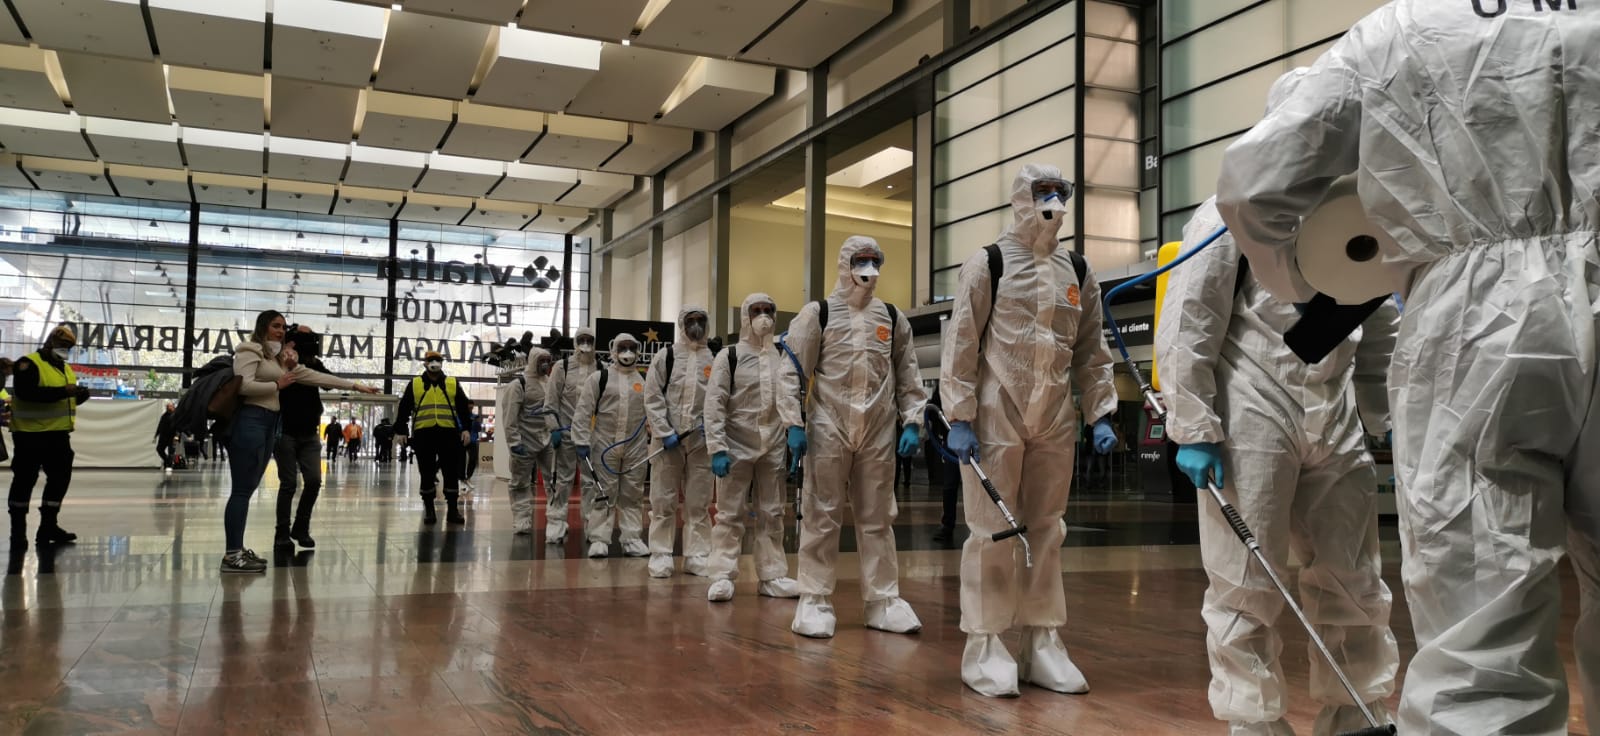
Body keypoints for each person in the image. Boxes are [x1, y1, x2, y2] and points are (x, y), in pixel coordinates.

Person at [1214, 5, 1600, 729]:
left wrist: (1302, 283)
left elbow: (1252, 182)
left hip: (1475, 320)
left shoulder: (1400, 30)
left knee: (1480, 623)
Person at [1159, 196, 1401, 734]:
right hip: (1251, 399)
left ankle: (1355, 710)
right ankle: (1253, 718)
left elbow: (1378, 309)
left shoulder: (1361, 207)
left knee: (1354, 574)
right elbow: (1189, 317)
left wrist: (1383, 413)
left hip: (1335, 407)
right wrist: (1194, 427)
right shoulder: (1231, 211)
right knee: (1246, 582)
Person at [939, 164, 1120, 697]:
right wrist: (961, 416)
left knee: (1047, 528)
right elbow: (962, 345)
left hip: (1055, 416)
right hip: (997, 414)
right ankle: (987, 644)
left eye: (1061, 193)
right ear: (1022, 197)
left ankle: (1042, 641)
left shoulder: (1078, 270)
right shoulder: (989, 263)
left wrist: (1102, 413)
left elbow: (1091, 349)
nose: (1053, 201)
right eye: (1043, 192)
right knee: (993, 530)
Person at [779, 235, 927, 639]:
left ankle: (883, 600)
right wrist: (793, 423)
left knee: (878, 516)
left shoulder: (893, 318)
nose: (868, 268)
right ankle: (814, 598)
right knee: (822, 513)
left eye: (874, 260)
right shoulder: (818, 315)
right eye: (861, 260)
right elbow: (791, 372)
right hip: (828, 425)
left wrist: (913, 421)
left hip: (878, 429)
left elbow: (909, 376)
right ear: (845, 264)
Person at [223, 311, 375, 573]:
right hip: (251, 421)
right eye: (275, 326)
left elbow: (318, 377)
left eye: (282, 327)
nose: (280, 331)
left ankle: (237, 550)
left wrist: (356, 386)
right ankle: (232, 554)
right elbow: (243, 385)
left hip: (269, 424)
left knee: (247, 490)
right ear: (263, 327)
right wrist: (278, 385)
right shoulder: (249, 350)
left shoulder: (280, 360)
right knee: (242, 490)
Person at [703, 293, 801, 603]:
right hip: (735, 445)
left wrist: (794, 429)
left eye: (769, 310)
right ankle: (721, 574)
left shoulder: (782, 356)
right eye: (757, 311)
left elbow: (789, 396)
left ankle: (772, 575)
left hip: (772, 445)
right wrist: (717, 448)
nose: (764, 316)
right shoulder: (728, 356)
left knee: (772, 512)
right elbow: (714, 403)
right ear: (745, 317)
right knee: (729, 513)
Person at [274, 326, 367, 550]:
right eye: (307, 337)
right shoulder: (279, 360)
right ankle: (282, 533)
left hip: (309, 432)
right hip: (285, 431)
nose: (312, 342)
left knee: (314, 481)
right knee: (288, 484)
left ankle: (301, 527)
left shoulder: (312, 363)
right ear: (293, 341)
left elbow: (326, 381)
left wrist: (312, 362)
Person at [643, 305, 716, 578]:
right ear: (681, 324)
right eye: (690, 321)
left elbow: (721, 398)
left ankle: (697, 555)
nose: (695, 326)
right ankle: (661, 555)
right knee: (663, 499)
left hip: (702, 442)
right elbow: (652, 396)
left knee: (699, 501)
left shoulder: (715, 358)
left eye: (700, 321)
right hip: (667, 442)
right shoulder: (667, 356)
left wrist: (713, 430)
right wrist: (663, 430)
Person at [7, 326, 91, 553]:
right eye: (63, 346)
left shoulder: (64, 368)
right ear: (50, 342)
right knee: (24, 481)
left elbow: (64, 402)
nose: (66, 351)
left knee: (59, 480)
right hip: (30, 436)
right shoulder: (28, 364)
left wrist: (78, 396)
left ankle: (48, 527)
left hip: (58, 436)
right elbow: (26, 394)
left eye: (69, 348)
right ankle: (18, 531)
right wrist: (64, 392)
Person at [573, 333, 650, 559]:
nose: (627, 352)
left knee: (633, 493)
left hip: (635, 447)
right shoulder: (600, 378)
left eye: (632, 347)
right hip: (603, 443)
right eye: (622, 347)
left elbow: (653, 411)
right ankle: (599, 538)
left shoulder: (644, 381)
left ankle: (632, 538)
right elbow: (583, 411)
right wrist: (580, 440)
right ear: (614, 350)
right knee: (603, 492)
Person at [393, 351, 474, 526]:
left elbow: (462, 407)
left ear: (442, 363)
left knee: (450, 472)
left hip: (449, 434)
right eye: (431, 360)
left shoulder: (452, 383)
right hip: (424, 435)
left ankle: (453, 509)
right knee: (427, 473)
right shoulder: (415, 384)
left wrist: (466, 428)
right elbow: (405, 408)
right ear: (425, 363)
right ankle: (429, 509)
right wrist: (401, 430)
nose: (434, 363)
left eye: (438, 360)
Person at [548, 326, 600, 544]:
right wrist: (554, 428)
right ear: (575, 341)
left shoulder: (602, 368)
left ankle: (591, 524)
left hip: (592, 437)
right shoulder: (563, 367)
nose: (585, 343)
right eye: (582, 339)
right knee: (563, 480)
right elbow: (550, 401)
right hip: (566, 433)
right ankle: (556, 523)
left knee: (591, 482)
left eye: (589, 339)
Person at [502, 348, 558, 536]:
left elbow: (552, 410)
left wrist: (556, 430)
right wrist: (513, 442)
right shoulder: (519, 384)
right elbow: (509, 416)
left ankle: (555, 518)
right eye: (542, 360)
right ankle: (521, 519)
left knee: (554, 480)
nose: (545, 364)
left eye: (548, 360)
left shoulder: (550, 383)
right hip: (524, 441)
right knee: (520, 482)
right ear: (533, 360)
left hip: (547, 439)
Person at [461, 413, 483, 493]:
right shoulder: (462, 416)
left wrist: (476, 422)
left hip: (473, 441)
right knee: (461, 460)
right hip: (463, 440)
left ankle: (468, 478)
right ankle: (462, 479)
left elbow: (479, 429)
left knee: (473, 459)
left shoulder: (475, 418)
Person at [154, 402, 177, 473]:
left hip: (172, 437)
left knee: (171, 452)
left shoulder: (176, 416)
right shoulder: (164, 416)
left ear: (173, 407)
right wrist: (156, 435)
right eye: (167, 407)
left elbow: (178, 426)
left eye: (170, 406)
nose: (168, 408)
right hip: (163, 436)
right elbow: (160, 426)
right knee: (159, 449)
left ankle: (169, 466)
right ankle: (166, 460)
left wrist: (177, 436)